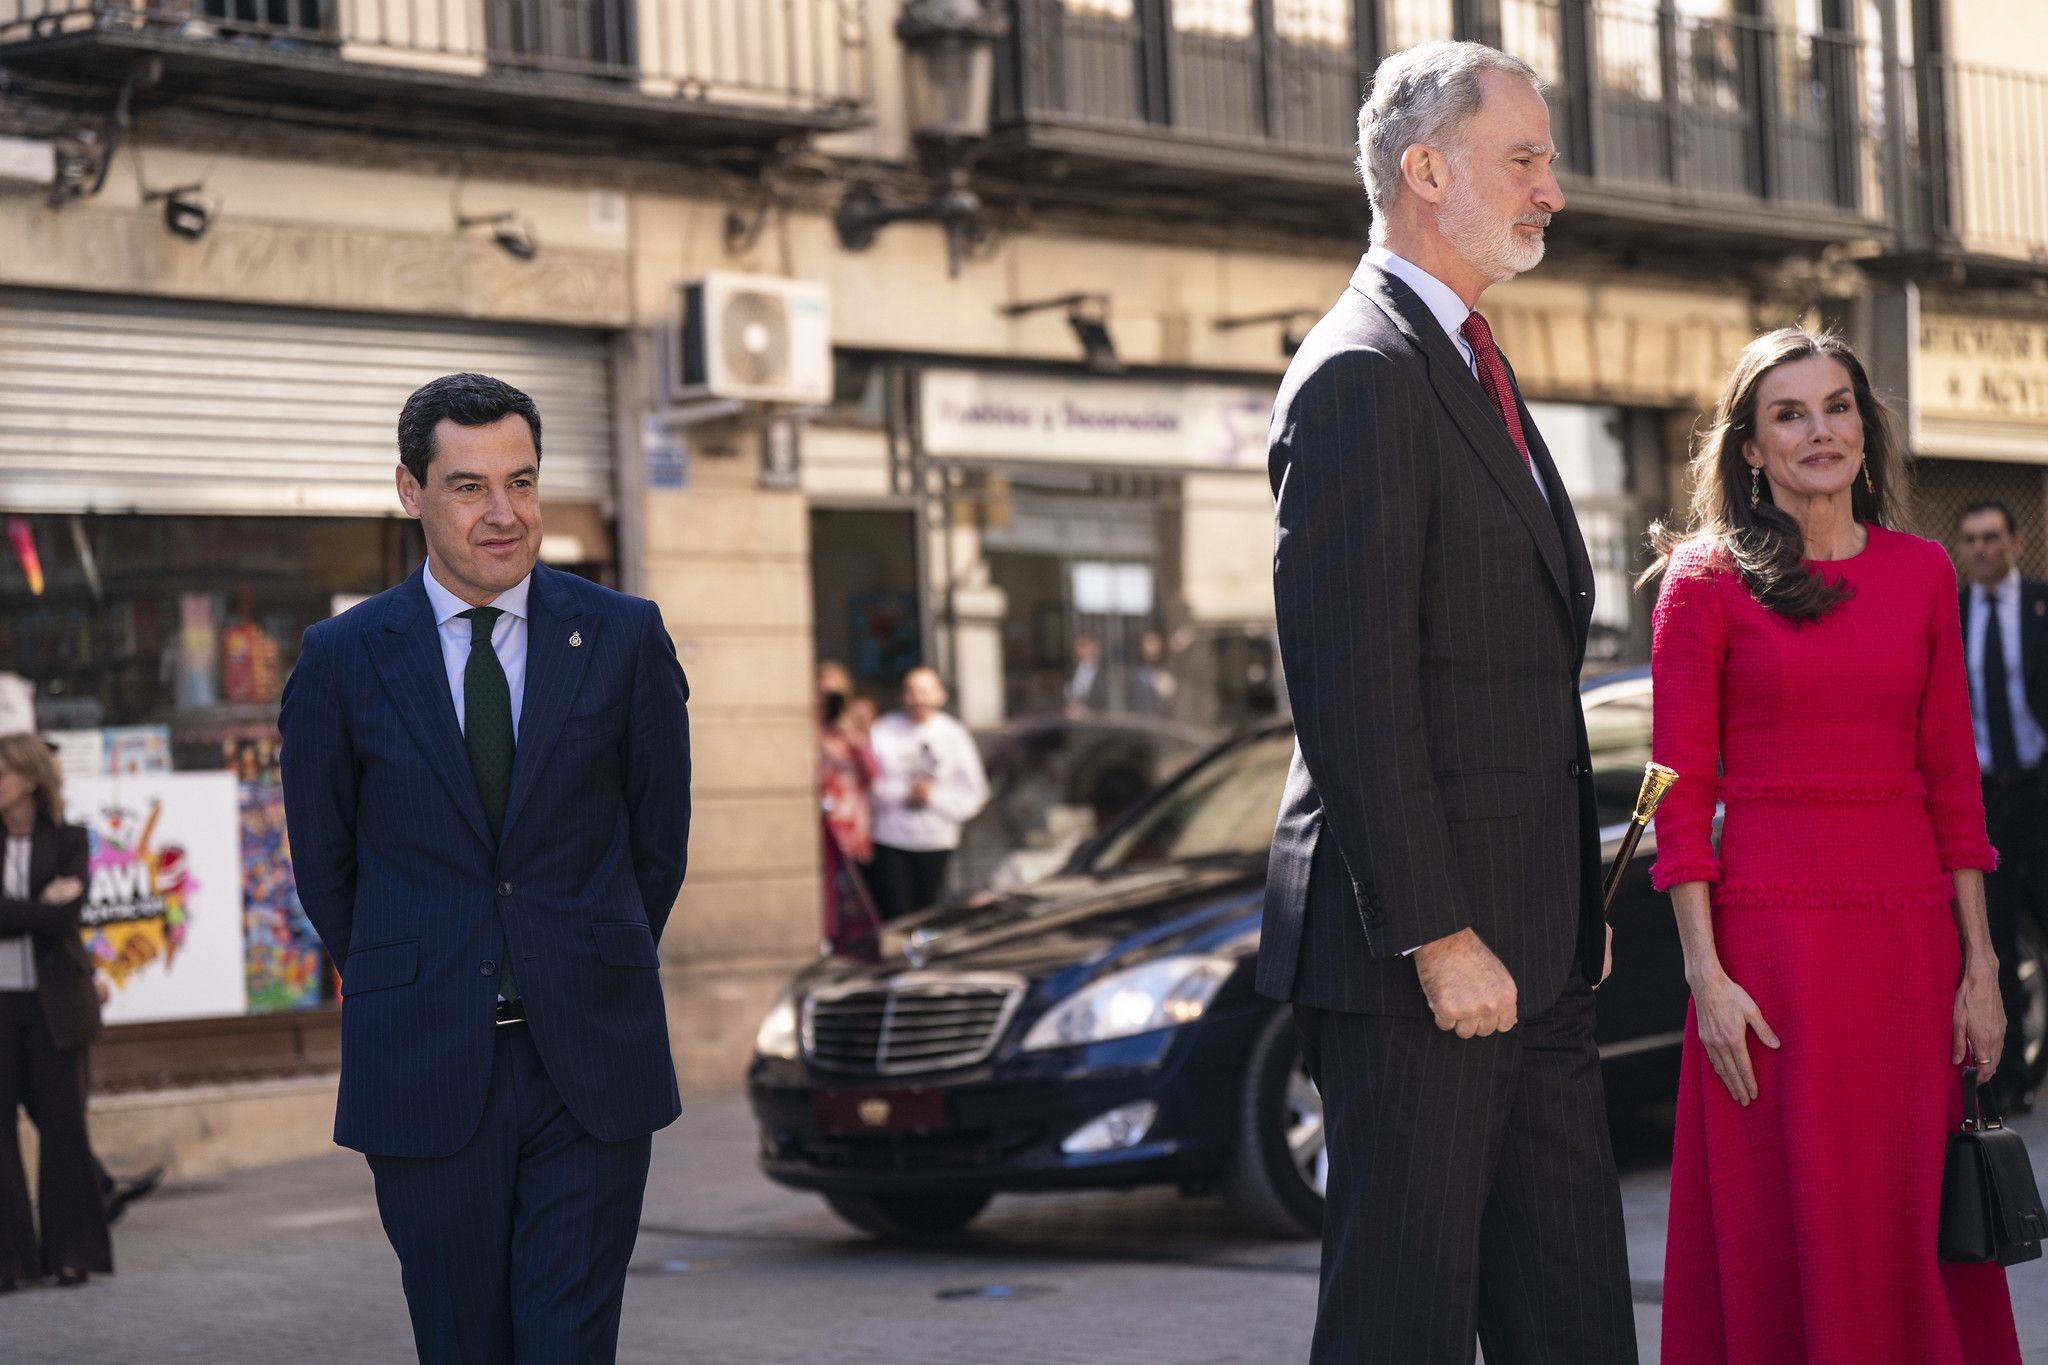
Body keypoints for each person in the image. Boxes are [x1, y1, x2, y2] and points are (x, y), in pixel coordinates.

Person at [1259, 41, 1634, 1364]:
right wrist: (1437, 937)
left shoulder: (1469, 353)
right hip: (1423, 963)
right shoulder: (1362, 370)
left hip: (1531, 945)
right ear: (1427, 170)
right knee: (1400, 1326)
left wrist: (1564, 908)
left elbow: (1513, 679)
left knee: (1574, 1315)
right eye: (1525, 157)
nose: (1553, 190)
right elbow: (1352, 693)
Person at [279, 373, 692, 1362]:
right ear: (410, 491)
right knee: (462, 1342)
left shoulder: (623, 636)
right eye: (469, 487)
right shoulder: (341, 658)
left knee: (568, 1342)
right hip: (424, 1060)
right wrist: (409, 970)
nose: (503, 514)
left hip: (588, 1060)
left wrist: (585, 957)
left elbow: (658, 843)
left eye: (522, 480)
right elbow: (326, 864)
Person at [1647, 329, 2019, 1364]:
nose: (1821, 430)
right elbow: (1677, 795)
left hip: (1907, 952)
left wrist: (1979, 965)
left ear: (1865, 425)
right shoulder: (1703, 580)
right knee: (1789, 1223)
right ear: (1750, 448)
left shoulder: (1921, 572)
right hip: (1769, 962)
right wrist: (1703, 977)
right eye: (1788, 413)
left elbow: (1952, 781)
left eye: (1837, 405)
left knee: (1899, 1216)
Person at [0, 731, 111, 1291]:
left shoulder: (70, 840)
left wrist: (29, 912)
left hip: (56, 1010)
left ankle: (73, 1253)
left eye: (1, 773)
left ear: (29, 780)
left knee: (64, 1130)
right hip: (1, 1006)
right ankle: (9, 1261)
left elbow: (64, 920)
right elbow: (41, 914)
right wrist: (38, 907)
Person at [1955, 501, 2048, 1113]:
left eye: (1991, 538)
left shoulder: (2042, 604)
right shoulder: (1952, 611)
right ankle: (2012, 1079)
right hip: (1982, 797)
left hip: (2040, 787)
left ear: (2015, 542)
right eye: (1970, 541)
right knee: (1995, 939)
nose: (1982, 549)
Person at [866, 667, 988, 922]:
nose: (918, 699)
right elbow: (869, 783)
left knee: (927, 913)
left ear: (940, 695)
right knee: (895, 913)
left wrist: (933, 798)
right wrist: (903, 794)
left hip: (935, 838)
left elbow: (974, 790)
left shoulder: (953, 734)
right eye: (911, 691)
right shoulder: (883, 731)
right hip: (891, 836)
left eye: (925, 692)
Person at [816, 661, 879, 954]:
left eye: (835, 694)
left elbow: (874, 774)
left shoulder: (854, 723)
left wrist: (854, 737)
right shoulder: (811, 726)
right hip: (823, 819)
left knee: (856, 893)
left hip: (850, 819)